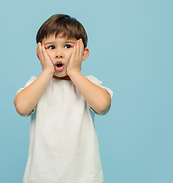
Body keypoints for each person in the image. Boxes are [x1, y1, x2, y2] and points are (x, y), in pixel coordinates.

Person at [14, 14, 113, 183]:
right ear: (39, 54)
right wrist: (47, 72)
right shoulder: (37, 85)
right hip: (41, 177)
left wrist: (74, 72)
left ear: (83, 53)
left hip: (84, 178)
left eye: (68, 46)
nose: (59, 53)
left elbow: (103, 105)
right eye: (51, 47)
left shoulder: (88, 84)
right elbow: (22, 108)